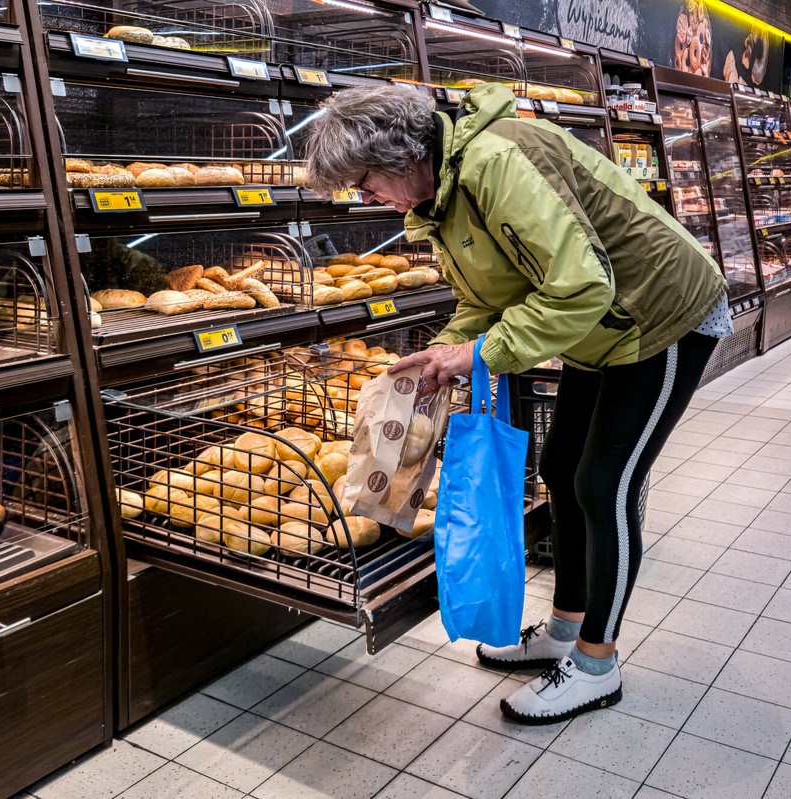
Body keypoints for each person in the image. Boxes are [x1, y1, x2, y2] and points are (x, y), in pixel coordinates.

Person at [303, 82, 731, 725]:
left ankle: (596, 665)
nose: (364, 198)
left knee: (604, 484)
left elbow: (582, 286)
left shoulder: (497, 163)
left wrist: (477, 356)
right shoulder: (443, 196)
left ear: (399, 157)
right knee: (560, 468)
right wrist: (444, 352)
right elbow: (489, 297)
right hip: (599, 331)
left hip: (660, 314)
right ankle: (565, 629)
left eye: (362, 182)